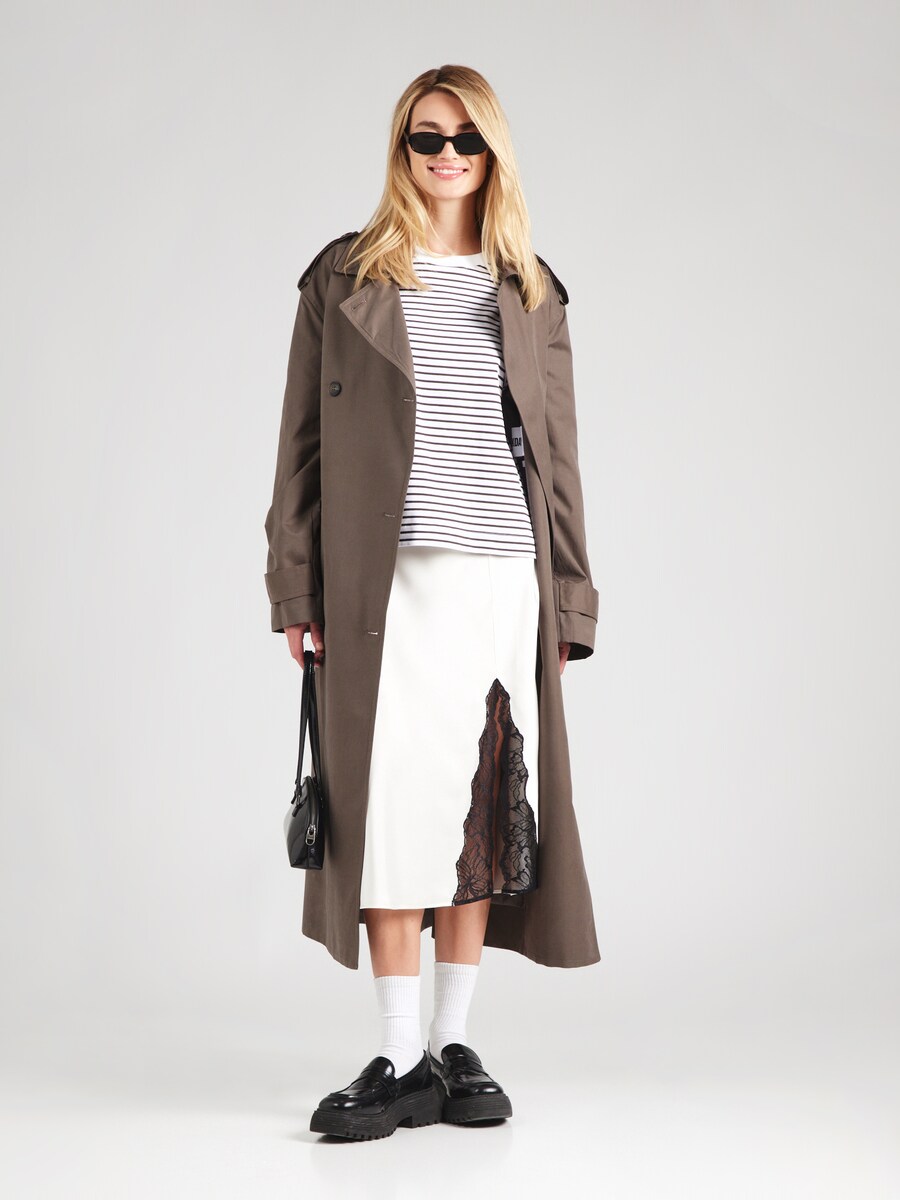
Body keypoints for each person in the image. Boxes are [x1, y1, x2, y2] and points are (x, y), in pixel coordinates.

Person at [264, 64, 601, 1141]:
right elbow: (300, 454)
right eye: (426, 137)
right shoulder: (344, 279)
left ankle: (453, 1047)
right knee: (389, 808)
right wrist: (296, 586)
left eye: (466, 139)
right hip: (387, 583)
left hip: (504, 579)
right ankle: (398, 1053)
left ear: (493, 153)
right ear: (401, 149)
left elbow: (560, 463)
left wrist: (569, 601)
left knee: (481, 808)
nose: (447, 155)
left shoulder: (530, 290)